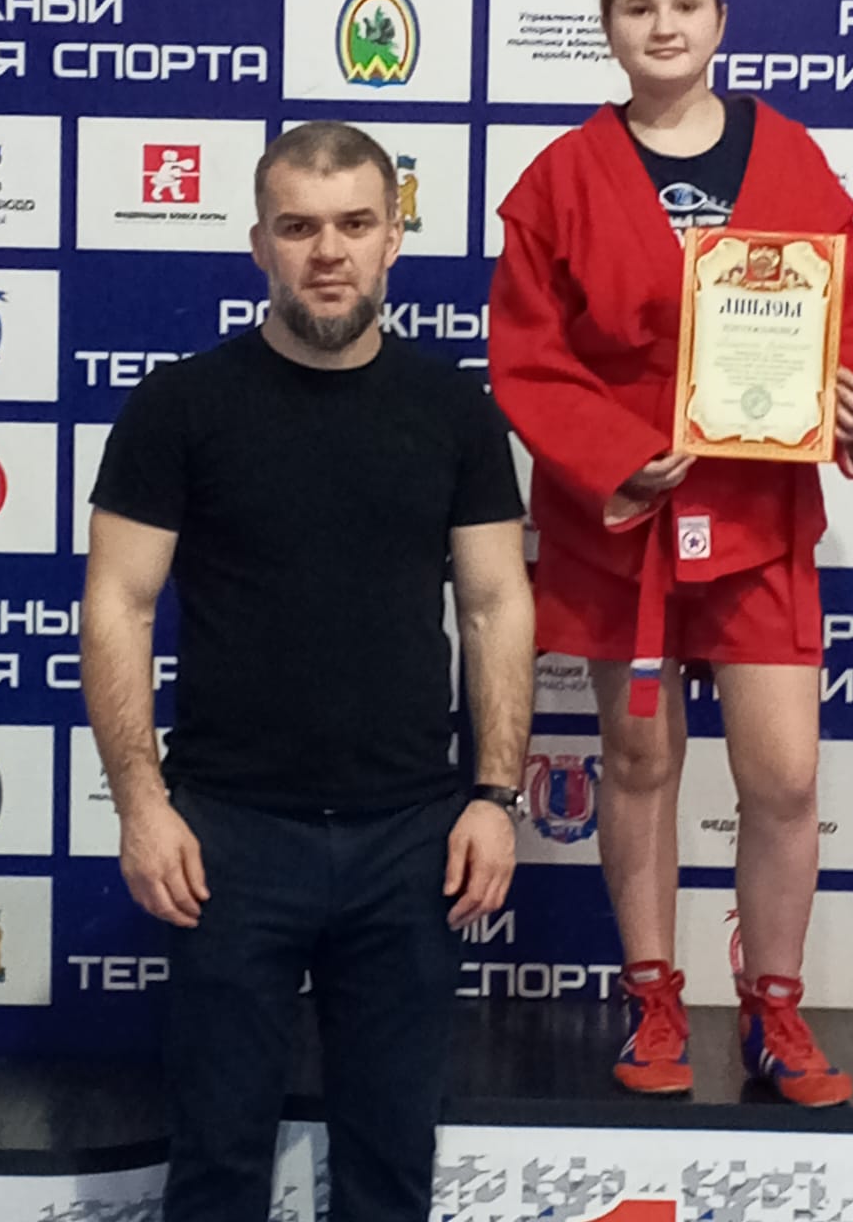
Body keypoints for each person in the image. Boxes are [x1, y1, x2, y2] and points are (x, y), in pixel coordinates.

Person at [80, 121, 534, 1222]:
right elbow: (118, 605)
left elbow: (494, 604)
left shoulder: (455, 411)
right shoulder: (179, 406)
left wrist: (495, 794)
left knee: (390, 1172)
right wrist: (141, 804)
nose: (327, 251)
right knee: (216, 1168)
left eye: (353, 224)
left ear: (392, 241)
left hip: (411, 840)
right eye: (298, 227)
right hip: (227, 837)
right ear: (259, 246)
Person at [488, 0, 853, 1107]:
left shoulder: (792, 156)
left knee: (783, 773)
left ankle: (774, 1005)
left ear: (721, 19)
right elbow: (528, 356)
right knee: (638, 759)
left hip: (757, 511)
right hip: (623, 515)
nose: (663, 24)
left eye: (685, 3)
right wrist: (615, 454)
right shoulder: (563, 176)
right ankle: (654, 994)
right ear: (609, 28)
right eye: (639, 6)